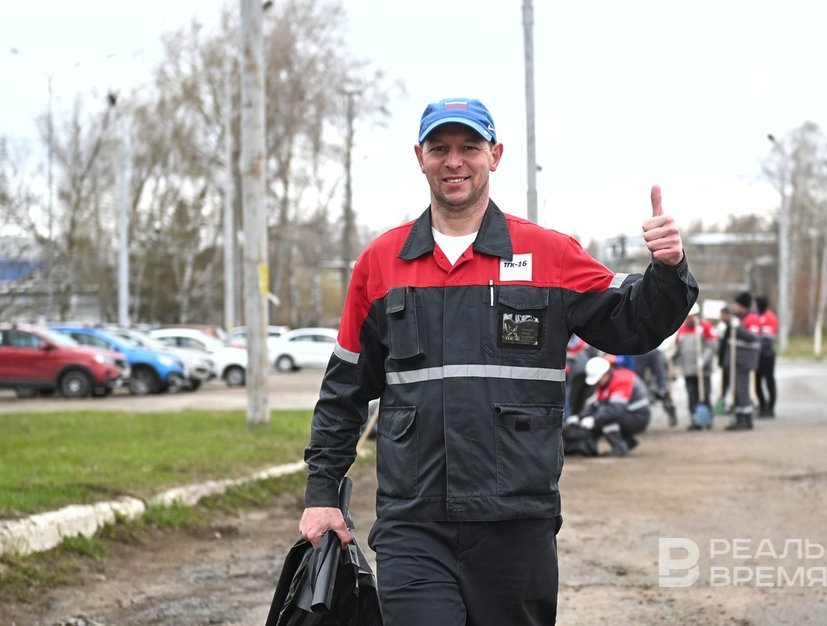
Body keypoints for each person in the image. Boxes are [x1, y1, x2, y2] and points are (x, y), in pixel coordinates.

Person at [297, 96, 698, 626]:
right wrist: (322, 492)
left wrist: (668, 270)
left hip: (517, 524)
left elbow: (633, 324)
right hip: (413, 523)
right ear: (420, 157)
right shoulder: (381, 263)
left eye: (469, 147)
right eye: (440, 148)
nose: (454, 161)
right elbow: (344, 390)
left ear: (495, 155)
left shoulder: (551, 254)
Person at [564, 355, 651, 456]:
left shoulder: (622, 380)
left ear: (605, 374)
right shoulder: (605, 382)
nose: (597, 383)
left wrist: (594, 420)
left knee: (607, 416)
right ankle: (628, 441)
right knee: (603, 412)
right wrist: (580, 417)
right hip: (627, 414)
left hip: (638, 416)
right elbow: (594, 403)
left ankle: (619, 448)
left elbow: (615, 409)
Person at [673, 303, 718, 430]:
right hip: (688, 370)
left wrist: (704, 360)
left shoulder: (706, 327)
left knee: (704, 395)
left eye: (692, 316)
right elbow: (678, 349)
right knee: (691, 395)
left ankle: (707, 419)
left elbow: (712, 346)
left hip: (703, 370)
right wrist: (672, 357)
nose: (690, 319)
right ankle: (695, 420)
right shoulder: (682, 329)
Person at [723, 291, 761, 431]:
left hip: (743, 361)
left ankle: (745, 419)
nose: (733, 306)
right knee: (737, 391)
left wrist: (738, 328)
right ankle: (739, 418)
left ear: (742, 306)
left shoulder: (751, 318)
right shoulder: (740, 319)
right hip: (736, 361)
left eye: (736, 304)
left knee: (742, 390)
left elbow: (752, 337)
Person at [632, 344, 678, 426]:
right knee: (660, 384)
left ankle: (664, 395)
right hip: (644, 351)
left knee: (638, 382)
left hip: (641, 351)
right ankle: (663, 392)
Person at [755, 294, 778, 418]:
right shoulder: (757, 316)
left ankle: (770, 407)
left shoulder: (770, 317)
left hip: (767, 355)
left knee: (769, 381)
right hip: (757, 354)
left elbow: (767, 338)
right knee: (757, 381)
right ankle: (762, 405)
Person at [714, 306, 732, 415]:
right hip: (724, 361)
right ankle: (723, 403)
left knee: (730, 384)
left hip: (729, 362)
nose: (720, 317)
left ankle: (730, 404)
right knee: (723, 385)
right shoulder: (722, 327)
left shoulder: (731, 328)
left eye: (722, 315)